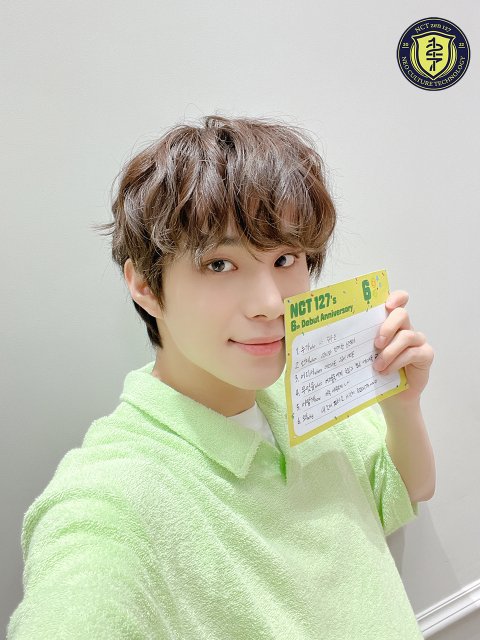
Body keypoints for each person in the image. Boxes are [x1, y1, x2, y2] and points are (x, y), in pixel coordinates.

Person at [7, 115, 436, 639]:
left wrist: (402, 405)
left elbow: (406, 490)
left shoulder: (302, 384)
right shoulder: (112, 495)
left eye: (285, 258)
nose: (270, 303)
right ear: (144, 285)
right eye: (219, 265)